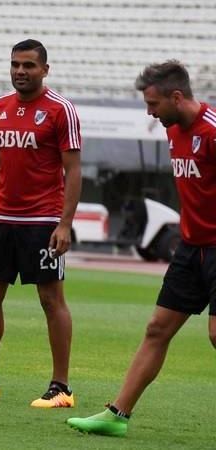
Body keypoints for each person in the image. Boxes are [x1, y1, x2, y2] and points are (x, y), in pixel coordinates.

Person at [67, 60, 216, 437]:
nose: (148, 112)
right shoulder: (175, 129)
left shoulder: (212, 131)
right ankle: (116, 415)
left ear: (177, 96)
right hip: (191, 248)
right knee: (156, 329)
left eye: (153, 104)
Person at [0, 39, 82, 408]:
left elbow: (73, 172)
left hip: (42, 218)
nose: (20, 71)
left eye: (28, 65)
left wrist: (64, 223)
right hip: (1, 218)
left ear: (44, 70)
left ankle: (61, 387)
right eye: (15, 65)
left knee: (50, 297)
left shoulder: (61, 110)